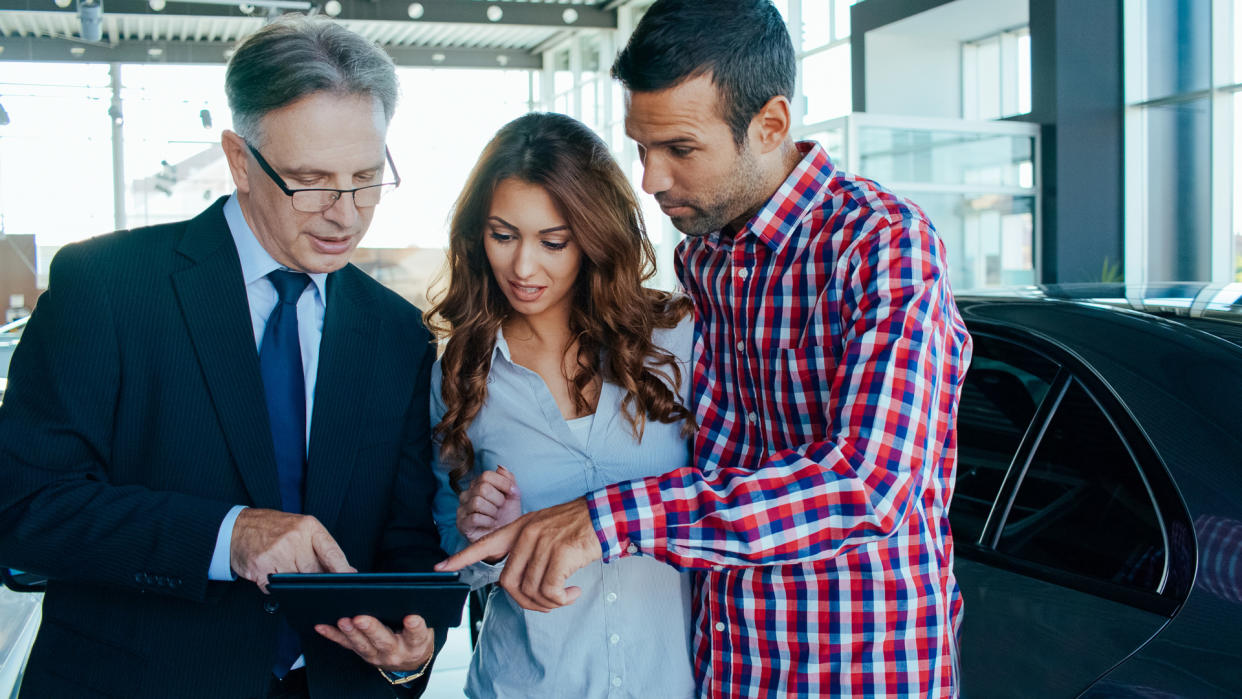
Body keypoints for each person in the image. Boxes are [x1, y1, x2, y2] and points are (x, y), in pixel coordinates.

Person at [439, 1, 973, 696]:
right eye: (641, 147)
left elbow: (867, 485)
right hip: (725, 671)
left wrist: (605, 518)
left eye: (680, 149)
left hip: (850, 671)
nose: (652, 178)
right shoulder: (706, 262)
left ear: (771, 125)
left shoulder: (882, 246)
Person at [0, 15, 449, 698]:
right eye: (312, 180)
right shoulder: (111, 287)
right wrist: (226, 535)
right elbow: (26, 511)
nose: (346, 214)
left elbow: (407, 538)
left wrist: (411, 647)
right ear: (240, 160)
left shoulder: (397, 333)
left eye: (366, 178)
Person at [426, 112, 697, 697]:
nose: (523, 268)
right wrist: (477, 533)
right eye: (503, 235)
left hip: (674, 681)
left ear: (596, 236)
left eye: (553, 241)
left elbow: (731, 501)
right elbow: (453, 558)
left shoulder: (677, 340)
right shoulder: (460, 370)